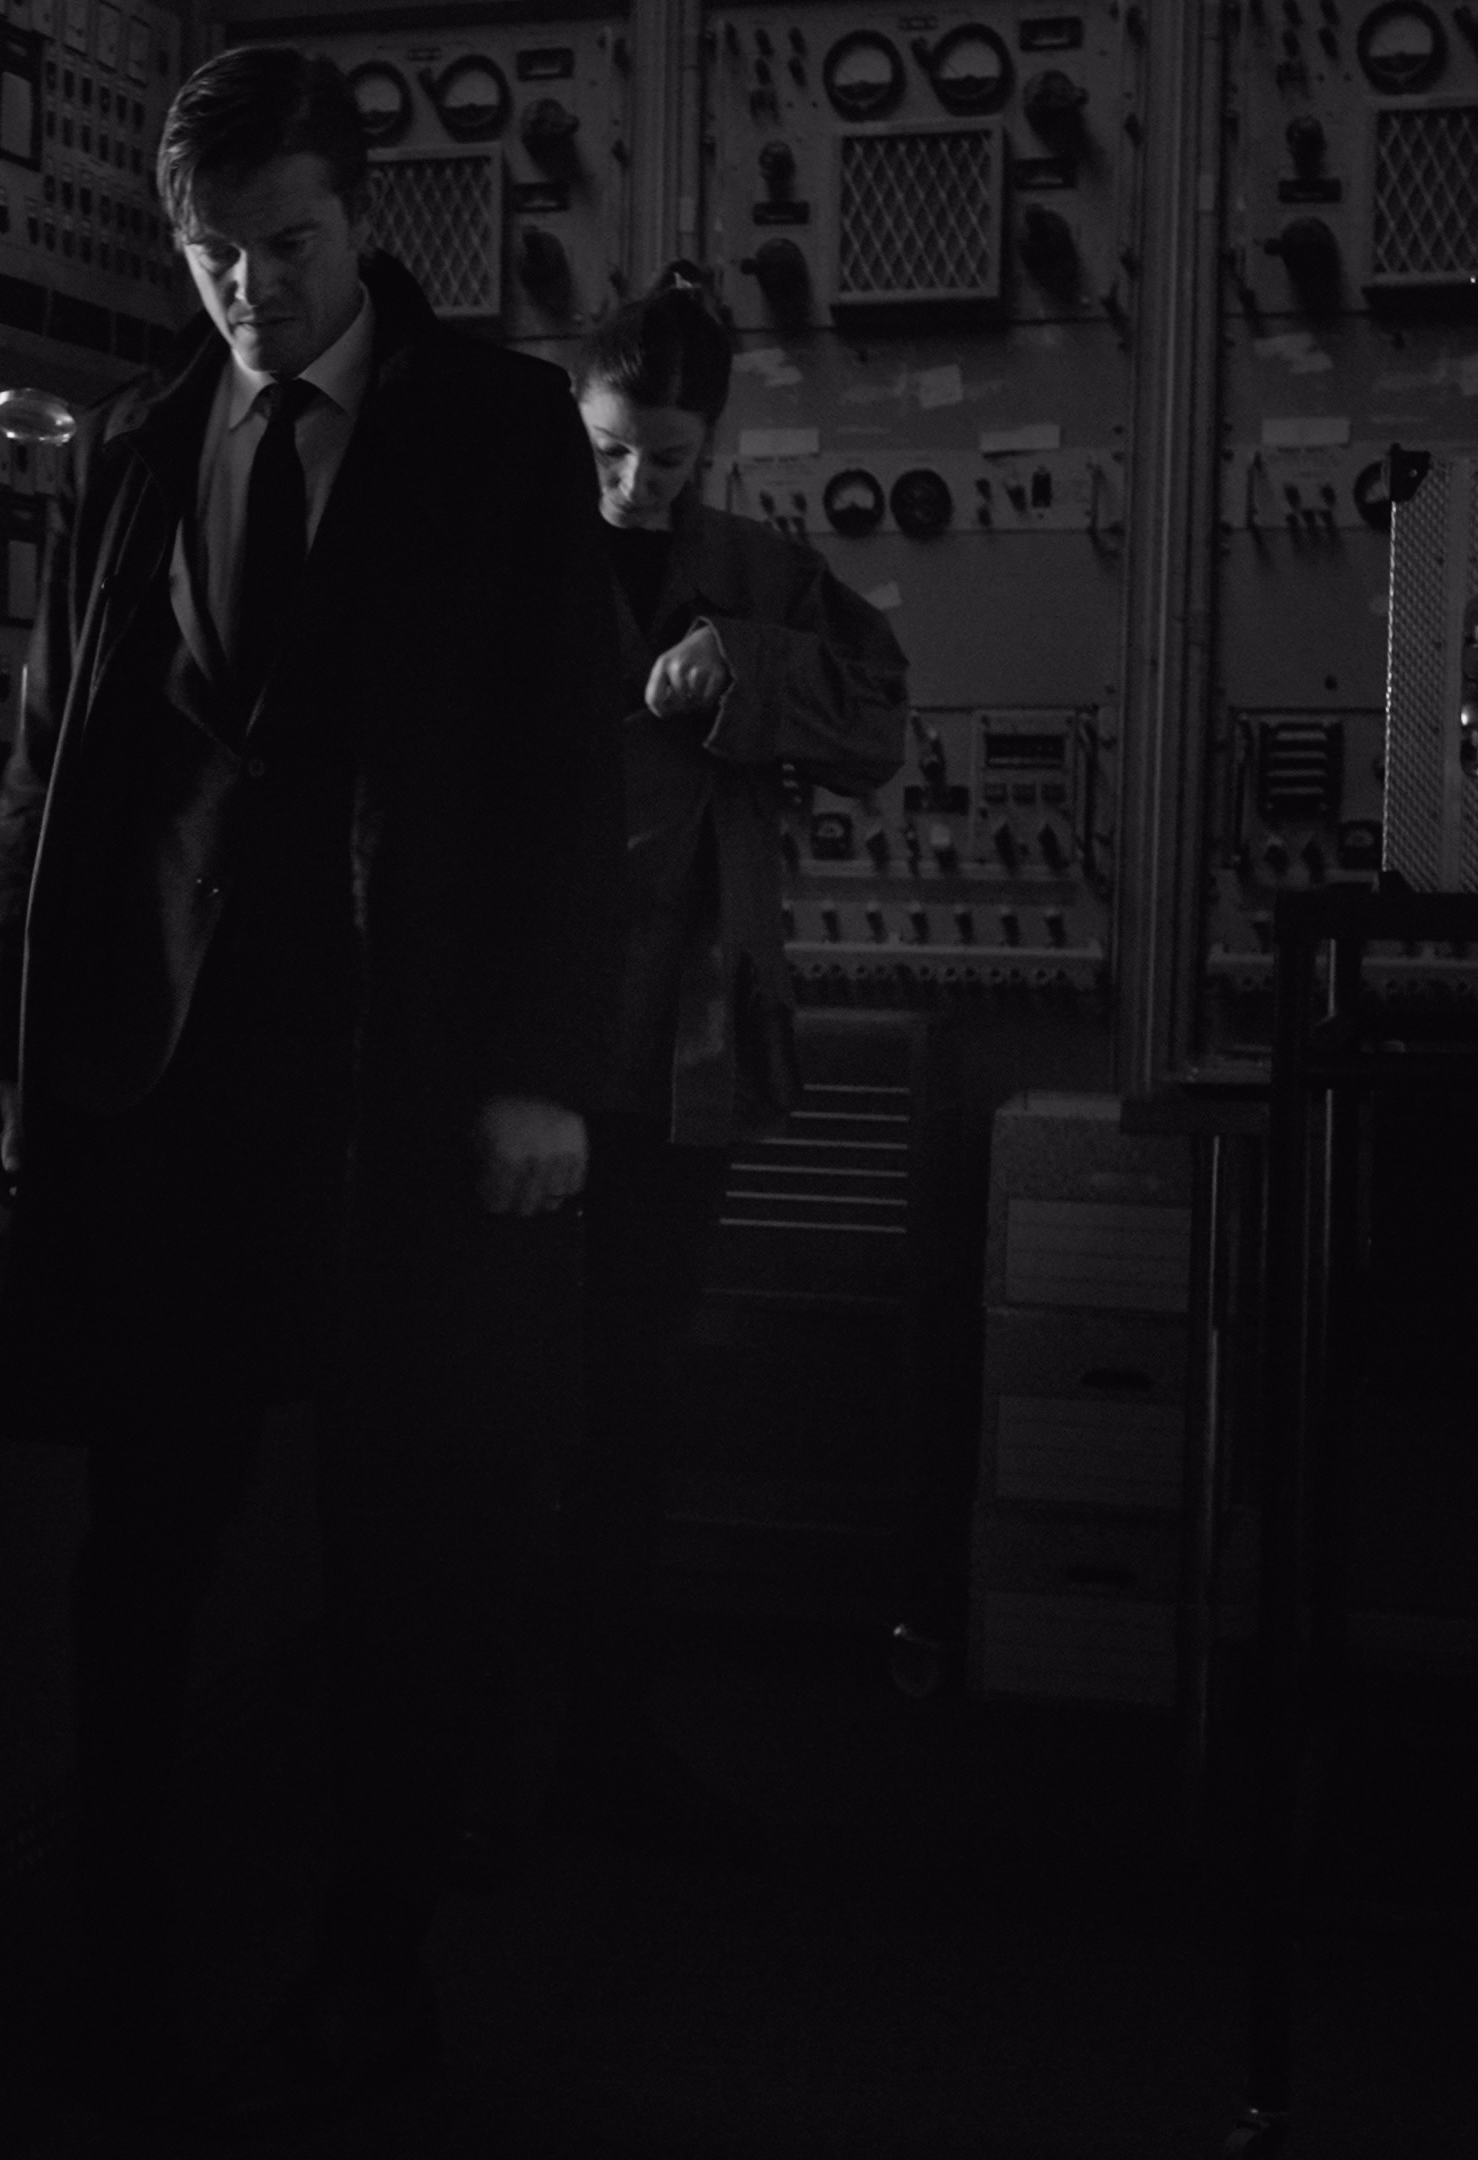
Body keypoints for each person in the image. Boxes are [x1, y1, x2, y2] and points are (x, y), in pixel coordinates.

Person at [0, 46, 628, 2117]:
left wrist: (541, 1073)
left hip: (401, 1081)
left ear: (362, 218)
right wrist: (0, 1051)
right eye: (216, 255)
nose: (254, 288)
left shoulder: (498, 427)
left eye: (289, 243)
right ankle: (122, 1950)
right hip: (171, 1093)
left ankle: (370, 1964)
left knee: (400, 1547)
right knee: (141, 1547)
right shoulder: (145, 435)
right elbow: (54, 765)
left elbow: (563, 768)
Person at [558, 274, 909, 1839]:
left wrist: (745, 668)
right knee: (494, 1408)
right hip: (520, 1044)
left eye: (671, 459)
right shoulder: (511, 558)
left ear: (714, 448)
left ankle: (605, 1738)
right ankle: (469, 1750)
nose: (638, 486)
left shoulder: (759, 570)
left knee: (634, 1406)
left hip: (677, 1048)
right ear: (576, 423)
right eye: (611, 453)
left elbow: (880, 720)